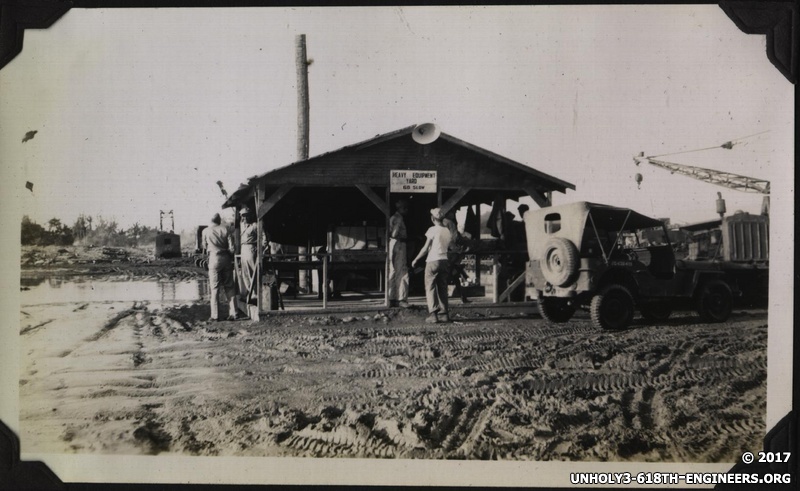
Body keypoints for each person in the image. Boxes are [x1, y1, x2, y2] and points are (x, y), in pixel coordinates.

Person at [412, 208, 453, 323]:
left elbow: (425, 248)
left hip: (433, 260)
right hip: (444, 260)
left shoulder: (432, 230)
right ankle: (444, 314)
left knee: (430, 287)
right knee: (442, 287)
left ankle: (433, 314)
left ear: (432, 218)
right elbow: (449, 246)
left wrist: (416, 259)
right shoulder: (447, 231)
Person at [202, 213, 241, 321]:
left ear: (211, 221)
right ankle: (234, 313)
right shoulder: (226, 229)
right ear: (219, 220)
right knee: (229, 286)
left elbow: (204, 247)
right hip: (226, 258)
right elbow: (232, 248)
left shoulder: (205, 231)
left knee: (214, 288)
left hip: (213, 258)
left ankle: (215, 315)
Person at [239, 207, 265, 306]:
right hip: (243, 249)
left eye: (245, 215)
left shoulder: (256, 226)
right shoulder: (243, 226)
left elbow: (264, 238)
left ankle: (257, 295)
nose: (243, 218)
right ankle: (251, 294)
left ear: (250, 216)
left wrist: (260, 250)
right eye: (242, 216)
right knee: (245, 273)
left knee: (252, 272)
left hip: (251, 249)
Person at [388, 199, 410, 307]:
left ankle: (391, 297)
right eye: (405, 208)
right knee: (402, 270)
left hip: (392, 244)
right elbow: (395, 233)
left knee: (392, 270)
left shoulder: (392, 217)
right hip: (399, 243)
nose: (406, 210)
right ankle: (401, 298)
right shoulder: (399, 218)